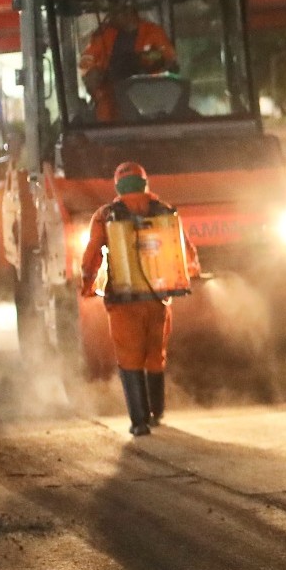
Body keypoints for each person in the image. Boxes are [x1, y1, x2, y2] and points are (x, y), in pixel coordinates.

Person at [80, 162, 199, 436]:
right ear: (145, 184)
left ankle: (139, 422)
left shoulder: (106, 215)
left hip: (123, 301)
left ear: (118, 186)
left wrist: (87, 285)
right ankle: (157, 412)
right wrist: (191, 273)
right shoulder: (165, 211)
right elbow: (186, 250)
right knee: (155, 354)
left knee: (130, 356)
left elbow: (92, 257)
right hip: (159, 298)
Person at [80, 4, 179, 122]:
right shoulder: (104, 34)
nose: (110, 18)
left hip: (150, 103)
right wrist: (91, 71)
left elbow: (168, 58)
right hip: (109, 101)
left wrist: (142, 59)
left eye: (115, 13)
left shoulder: (153, 32)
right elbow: (86, 59)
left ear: (129, 13)